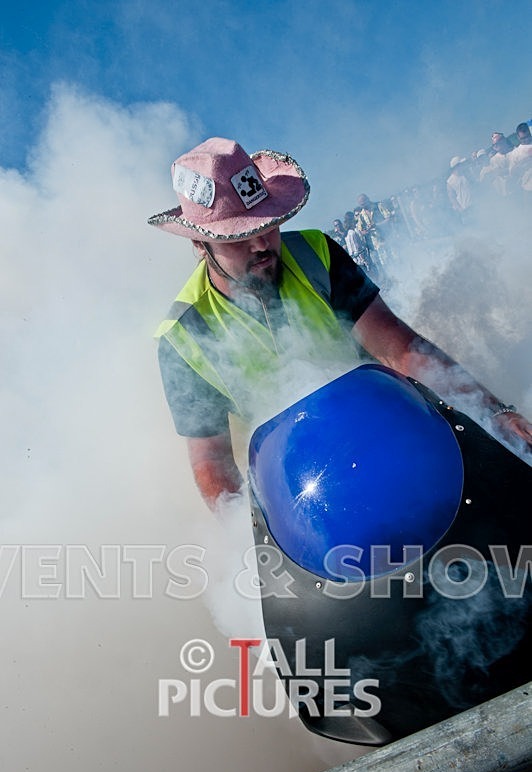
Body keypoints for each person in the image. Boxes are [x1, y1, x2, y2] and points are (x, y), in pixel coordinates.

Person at [149, 138, 532, 510]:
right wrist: (246, 541)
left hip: (386, 420)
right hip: (302, 479)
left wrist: (493, 412)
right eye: (239, 236)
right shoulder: (183, 336)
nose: (262, 245)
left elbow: (399, 348)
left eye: (268, 225)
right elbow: (211, 460)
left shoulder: (316, 253)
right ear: (200, 246)